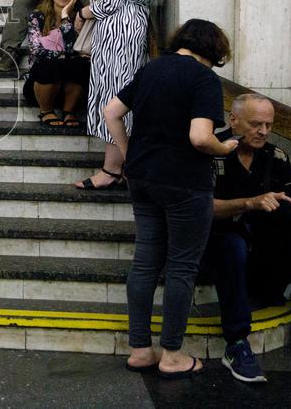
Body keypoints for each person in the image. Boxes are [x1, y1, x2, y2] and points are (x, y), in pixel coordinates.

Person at [103, 19, 236, 379]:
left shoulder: (151, 69)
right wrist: (223, 147)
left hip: (143, 177)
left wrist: (128, 153)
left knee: (145, 262)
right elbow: (199, 137)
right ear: (215, 50)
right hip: (184, 181)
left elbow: (110, 112)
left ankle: (140, 350)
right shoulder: (204, 78)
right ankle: (173, 354)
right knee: (181, 267)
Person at [206, 93, 291, 383]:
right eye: (256, 124)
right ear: (233, 120)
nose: (264, 131)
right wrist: (249, 202)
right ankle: (236, 344)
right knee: (230, 243)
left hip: (269, 258)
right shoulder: (211, 151)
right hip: (222, 255)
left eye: (269, 125)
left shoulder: (276, 156)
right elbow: (199, 209)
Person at [74, 0, 164, 190]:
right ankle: (122, 164)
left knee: (112, 95)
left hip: (119, 28)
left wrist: (84, 12)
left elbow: (112, 0)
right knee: (125, 94)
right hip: (138, 23)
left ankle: (112, 169)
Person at [23, 0, 90, 128]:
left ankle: (69, 111)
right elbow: (36, 52)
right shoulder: (37, 17)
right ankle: (46, 111)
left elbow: (75, 48)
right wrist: (66, 56)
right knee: (46, 64)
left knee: (81, 65)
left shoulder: (82, 16)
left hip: (71, 87)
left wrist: (66, 17)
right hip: (41, 86)